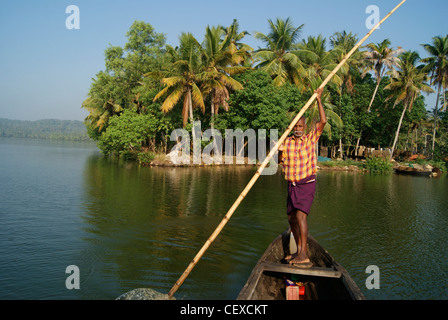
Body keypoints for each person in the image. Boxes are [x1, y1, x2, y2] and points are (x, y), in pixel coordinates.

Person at [278, 88, 326, 267]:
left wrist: (319, 100)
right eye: (295, 127)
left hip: (306, 183)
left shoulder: (310, 139)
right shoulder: (287, 141)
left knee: (300, 215)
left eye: (300, 127)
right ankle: (298, 250)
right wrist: (279, 152)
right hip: (291, 184)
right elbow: (280, 161)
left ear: (305, 127)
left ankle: (304, 254)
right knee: (291, 218)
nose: (298, 130)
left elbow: (323, 121)